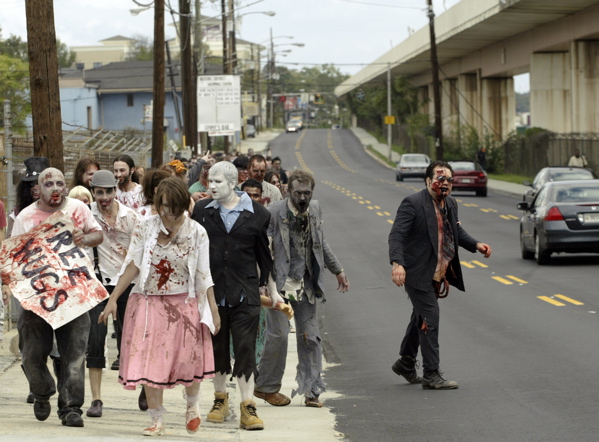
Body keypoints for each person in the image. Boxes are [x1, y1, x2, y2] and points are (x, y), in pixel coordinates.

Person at [101, 178, 220, 436]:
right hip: (148, 303)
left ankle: (192, 406)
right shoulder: (146, 227)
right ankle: (157, 420)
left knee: (189, 359)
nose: (170, 213)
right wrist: (113, 298)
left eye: (175, 208)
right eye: (165, 206)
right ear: (158, 204)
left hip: (184, 302)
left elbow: (204, 273)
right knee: (149, 362)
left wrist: (213, 309)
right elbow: (133, 264)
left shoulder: (197, 231)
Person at [8, 167, 103, 427]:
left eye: (60, 183)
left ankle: (71, 408)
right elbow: (13, 256)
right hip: (36, 299)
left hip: (74, 294)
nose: (56, 188)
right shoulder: (26, 217)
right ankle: (41, 392)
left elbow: (98, 235)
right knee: (31, 354)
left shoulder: (79, 209)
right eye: (49, 184)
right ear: (38, 189)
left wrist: (85, 238)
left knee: (74, 355)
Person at [388, 161, 492, 390]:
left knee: (421, 316)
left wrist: (476, 244)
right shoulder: (413, 203)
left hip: (436, 273)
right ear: (428, 181)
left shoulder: (450, 203)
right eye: (440, 178)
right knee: (430, 318)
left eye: (449, 180)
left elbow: (455, 230)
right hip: (416, 272)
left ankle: (406, 362)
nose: (444, 183)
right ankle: (431, 373)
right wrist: (398, 264)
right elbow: (396, 235)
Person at [254, 170, 350, 408]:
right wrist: (263, 284)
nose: (303, 198)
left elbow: (320, 242)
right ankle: (266, 387)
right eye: (298, 193)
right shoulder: (273, 212)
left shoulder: (315, 209)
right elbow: (263, 251)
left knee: (310, 337)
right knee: (278, 335)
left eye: (307, 193)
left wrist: (337, 269)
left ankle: (312, 391)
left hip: (305, 284)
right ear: (288, 191)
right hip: (278, 284)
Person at [192, 161, 272, 431]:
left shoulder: (258, 214)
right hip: (213, 293)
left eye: (218, 182)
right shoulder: (202, 210)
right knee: (217, 348)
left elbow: (264, 256)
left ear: (232, 183)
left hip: (245, 292)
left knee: (245, 347)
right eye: (210, 181)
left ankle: (248, 406)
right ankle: (220, 400)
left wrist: (272, 291)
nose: (211, 186)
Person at [85, 170, 140, 418]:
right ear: (93, 192)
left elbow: (138, 254)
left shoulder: (130, 218)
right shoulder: (87, 215)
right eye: (100, 192)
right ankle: (96, 399)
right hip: (98, 283)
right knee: (95, 341)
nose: (104, 197)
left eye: (108, 191)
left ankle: (145, 386)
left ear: (115, 191)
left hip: (127, 283)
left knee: (130, 340)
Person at [7, 156, 48, 236]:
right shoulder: (17, 213)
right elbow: (8, 240)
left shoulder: (58, 209)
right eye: (31, 184)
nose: (35, 187)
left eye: (39, 183)